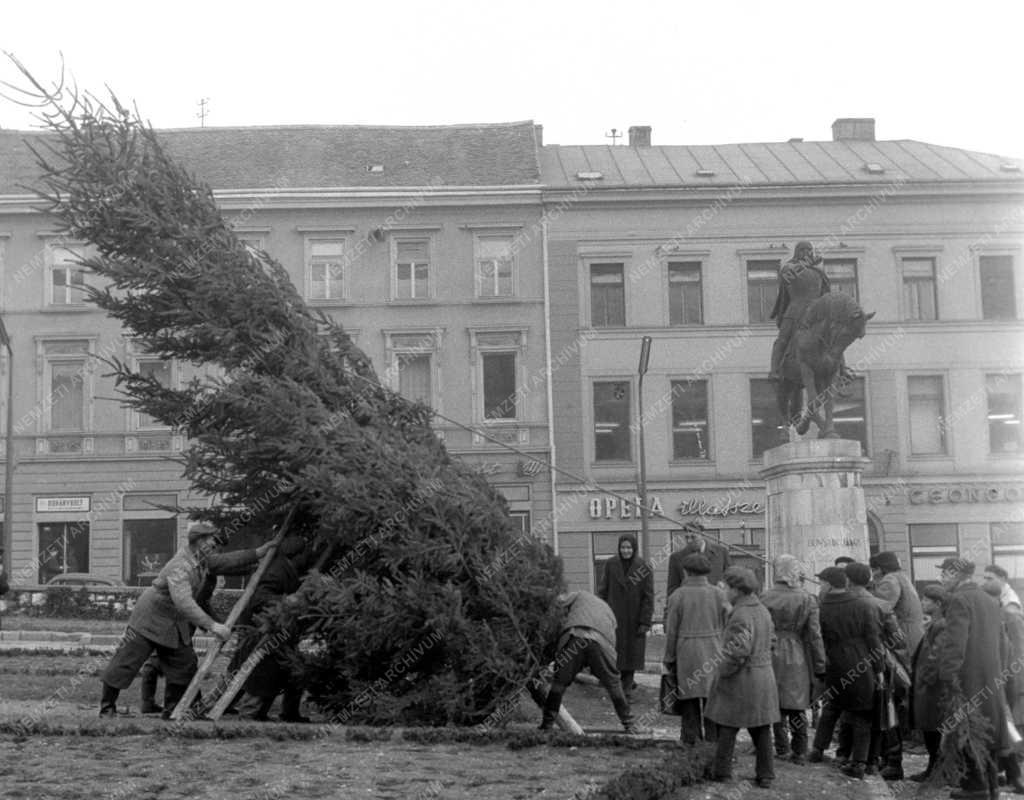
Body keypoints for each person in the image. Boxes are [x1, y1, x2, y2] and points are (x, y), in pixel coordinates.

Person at [98, 521, 271, 719]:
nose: (214, 547)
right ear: (198, 542)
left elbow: (226, 561)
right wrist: (213, 625)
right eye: (211, 542)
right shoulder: (180, 566)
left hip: (174, 622)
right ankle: (107, 708)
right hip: (150, 618)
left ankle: (172, 710)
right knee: (127, 660)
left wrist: (258, 554)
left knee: (184, 664)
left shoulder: (202, 559)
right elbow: (184, 602)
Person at [936, 557, 1010, 799]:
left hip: (968, 679)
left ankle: (975, 788)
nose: (941, 579)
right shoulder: (989, 599)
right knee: (987, 730)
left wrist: (947, 676)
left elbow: (955, 644)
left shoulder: (959, 599)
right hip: (990, 678)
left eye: (944, 574)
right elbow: (1002, 644)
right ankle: (992, 787)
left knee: (967, 729)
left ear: (955, 574)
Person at [705, 566, 780, 789]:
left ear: (736, 590)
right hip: (763, 677)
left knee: (728, 725)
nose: (724, 591)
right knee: (761, 727)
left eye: (726, 587)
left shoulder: (740, 614)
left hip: (741, 680)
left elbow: (738, 651)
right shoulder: (762, 610)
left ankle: (722, 772)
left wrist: (722, 671)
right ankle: (765, 775)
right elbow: (773, 641)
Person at [809, 565, 884, 779]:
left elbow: (818, 637)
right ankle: (859, 762)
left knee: (832, 706)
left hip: (834, 661)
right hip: (860, 661)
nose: (821, 585)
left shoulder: (822, 606)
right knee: (862, 712)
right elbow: (873, 638)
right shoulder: (862, 604)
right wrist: (878, 669)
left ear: (831, 584)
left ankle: (817, 750)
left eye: (823, 582)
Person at [236, 536, 315, 722]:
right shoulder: (277, 571)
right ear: (296, 554)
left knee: (292, 669)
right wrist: (286, 601)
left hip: (281, 630)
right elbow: (260, 598)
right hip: (264, 631)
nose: (307, 557)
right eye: (304, 553)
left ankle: (289, 712)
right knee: (263, 673)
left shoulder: (289, 568)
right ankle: (250, 713)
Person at [538, 591, 637, 734]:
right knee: (614, 684)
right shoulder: (610, 613)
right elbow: (611, 643)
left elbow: (559, 600)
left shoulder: (580, 595)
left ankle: (546, 726)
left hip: (575, 637)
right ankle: (630, 724)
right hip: (601, 644)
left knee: (559, 683)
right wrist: (607, 671)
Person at [761, 555, 825, 764]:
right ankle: (800, 750)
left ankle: (781, 747)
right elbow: (815, 635)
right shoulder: (807, 599)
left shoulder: (765, 597)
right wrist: (820, 664)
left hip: (770, 651)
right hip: (797, 651)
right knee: (797, 703)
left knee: (775, 702)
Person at [847, 561, 906, 780]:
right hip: (880, 664)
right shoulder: (882, 605)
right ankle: (885, 761)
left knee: (856, 714)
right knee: (886, 711)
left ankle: (858, 759)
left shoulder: (842, 603)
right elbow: (899, 640)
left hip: (851, 665)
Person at [663, 553, 730, 744]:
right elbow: (727, 623)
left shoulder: (678, 596)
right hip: (714, 651)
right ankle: (714, 743)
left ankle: (691, 742)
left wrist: (669, 658)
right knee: (713, 701)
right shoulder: (718, 594)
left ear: (686, 571)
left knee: (689, 702)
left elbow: (672, 632)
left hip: (687, 653)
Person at [597, 533, 653, 698]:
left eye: (629, 547)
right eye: (623, 547)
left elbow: (648, 596)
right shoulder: (611, 564)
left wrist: (645, 621)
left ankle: (627, 689)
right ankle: (616, 688)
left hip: (635, 619)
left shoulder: (643, 566)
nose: (625, 550)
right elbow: (603, 590)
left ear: (634, 548)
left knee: (632, 656)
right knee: (614, 653)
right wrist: (601, 612)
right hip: (615, 617)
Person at [982, 572, 1024, 794]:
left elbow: (1017, 650)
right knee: (1002, 726)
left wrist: (1013, 680)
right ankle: (1007, 775)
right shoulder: (997, 611)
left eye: (989, 578)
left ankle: (1014, 777)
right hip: (996, 676)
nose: (984, 581)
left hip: (1005, 677)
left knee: (1006, 726)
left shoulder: (1010, 613)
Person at [768, 240, 829, 381]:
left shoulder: (819, 272)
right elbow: (788, 277)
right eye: (803, 250)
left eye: (809, 250)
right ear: (797, 252)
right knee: (782, 339)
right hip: (795, 310)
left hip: (816, 313)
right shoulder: (789, 267)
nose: (807, 253)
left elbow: (825, 294)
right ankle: (775, 369)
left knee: (832, 337)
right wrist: (807, 264)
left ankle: (842, 369)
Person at [909, 584, 952, 783]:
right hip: (928, 686)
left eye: (926, 600)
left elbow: (936, 655)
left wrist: (926, 679)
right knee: (931, 728)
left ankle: (936, 771)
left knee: (933, 728)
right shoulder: (936, 624)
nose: (922, 602)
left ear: (938, 603)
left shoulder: (941, 625)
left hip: (932, 688)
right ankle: (934, 769)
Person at [870, 551, 925, 657]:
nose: (873, 574)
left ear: (880, 568)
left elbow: (881, 608)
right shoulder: (901, 576)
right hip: (914, 631)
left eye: (873, 570)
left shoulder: (890, 579)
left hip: (904, 633)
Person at [667, 523, 731, 596]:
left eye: (693, 537)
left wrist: (723, 584)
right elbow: (672, 588)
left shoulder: (721, 552)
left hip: (716, 602)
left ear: (702, 535)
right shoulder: (676, 558)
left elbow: (730, 577)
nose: (689, 541)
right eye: (687, 537)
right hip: (690, 603)